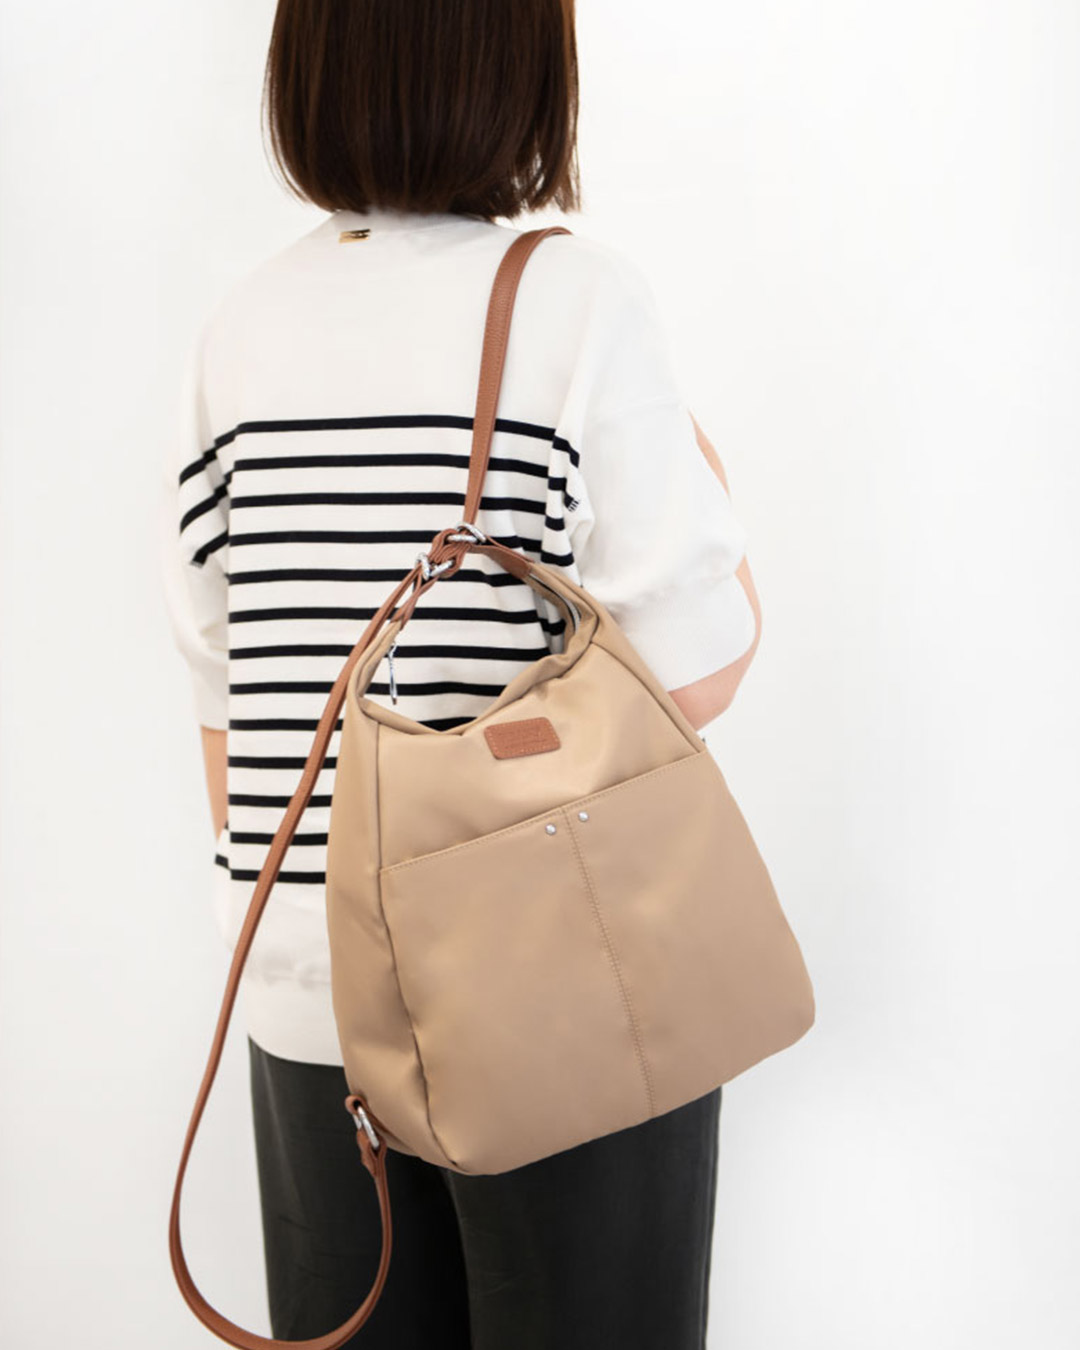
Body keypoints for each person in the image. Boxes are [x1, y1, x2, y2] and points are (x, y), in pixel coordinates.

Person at [161, 2, 763, 1347]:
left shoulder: (236, 331)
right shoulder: (577, 300)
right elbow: (700, 668)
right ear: (520, 65)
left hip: (307, 990)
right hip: (550, 984)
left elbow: (226, 697)